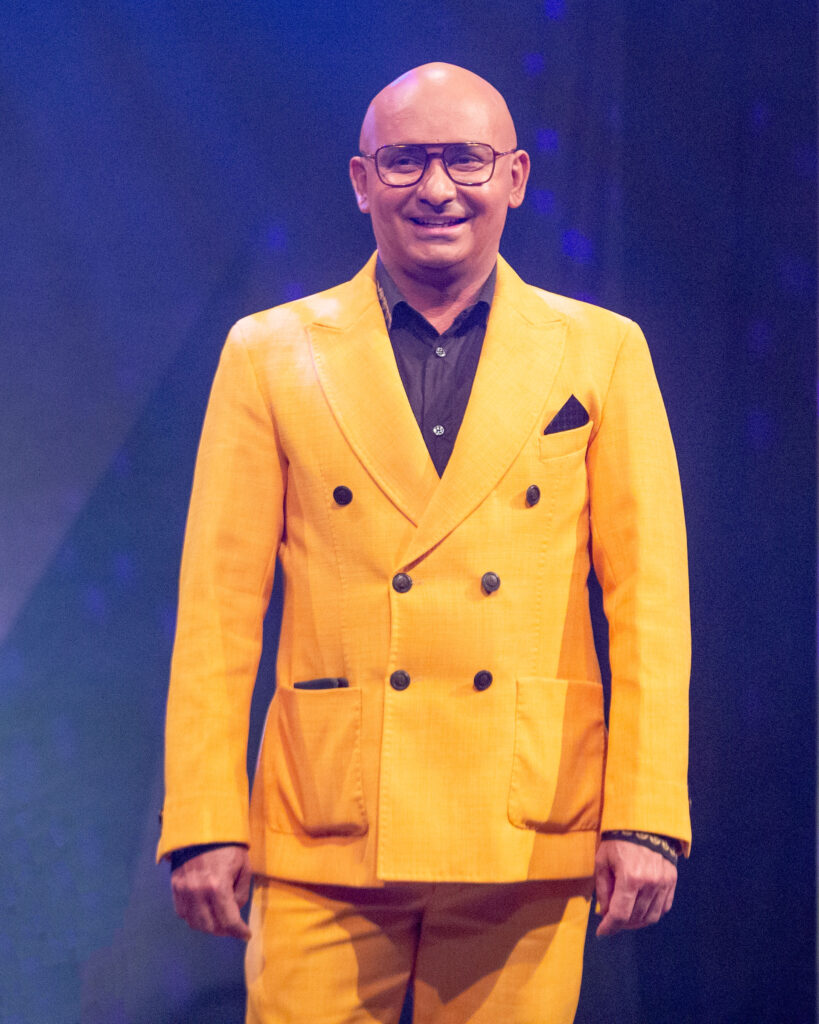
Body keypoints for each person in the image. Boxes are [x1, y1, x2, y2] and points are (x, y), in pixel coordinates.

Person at [158, 62, 691, 1023]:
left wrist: (646, 814)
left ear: (515, 177)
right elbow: (218, 608)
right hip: (329, 818)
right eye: (405, 161)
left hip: (524, 821)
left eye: (465, 160)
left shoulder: (602, 350)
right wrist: (203, 818)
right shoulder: (269, 353)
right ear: (361, 181)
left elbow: (648, 605)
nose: (436, 188)